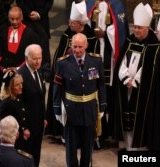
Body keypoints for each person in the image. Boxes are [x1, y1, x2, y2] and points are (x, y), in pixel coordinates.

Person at [46, 0, 100, 144]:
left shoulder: (92, 38)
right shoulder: (66, 34)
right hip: (66, 81)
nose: (70, 24)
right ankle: (62, 133)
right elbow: (60, 57)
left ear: (81, 24)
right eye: (70, 21)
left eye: (73, 22)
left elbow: (94, 64)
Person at [110, 2, 160, 151]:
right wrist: (125, 78)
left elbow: (150, 69)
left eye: (139, 28)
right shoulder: (129, 41)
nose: (136, 30)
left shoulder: (154, 46)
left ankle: (139, 148)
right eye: (135, 27)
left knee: (139, 118)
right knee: (126, 117)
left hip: (140, 90)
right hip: (126, 88)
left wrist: (136, 81)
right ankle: (126, 145)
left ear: (147, 28)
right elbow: (121, 62)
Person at [53, 33, 106, 167]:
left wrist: (103, 106)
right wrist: (57, 110)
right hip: (71, 112)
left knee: (88, 147)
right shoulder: (62, 63)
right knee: (71, 148)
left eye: (80, 47)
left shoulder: (96, 61)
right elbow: (57, 88)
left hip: (90, 111)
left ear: (86, 46)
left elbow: (101, 85)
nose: (77, 50)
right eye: (74, 46)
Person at [86, 0, 129, 148]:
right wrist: (93, 31)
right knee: (93, 89)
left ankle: (110, 132)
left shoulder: (117, 5)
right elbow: (85, 24)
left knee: (108, 95)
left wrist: (105, 33)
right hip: (93, 51)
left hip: (109, 57)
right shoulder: (91, 2)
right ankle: (95, 133)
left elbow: (120, 29)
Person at [0, 6, 40, 112]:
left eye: (17, 19)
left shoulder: (30, 35)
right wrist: (4, 69)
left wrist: (18, 69)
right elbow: (0, 53)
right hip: (5, 72)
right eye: (12, 19)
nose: (14, 22)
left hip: (22, 73)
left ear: (22, 18)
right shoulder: (3, 33)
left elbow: (31, 56)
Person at [18, 44, 46, 167]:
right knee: (26, 157)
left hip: (38, 124)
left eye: (39, 58)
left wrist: (44, 117)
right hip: (28, 126)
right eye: (34, 58)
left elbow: (41, 97)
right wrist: (24, 127)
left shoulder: (38, 71)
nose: (37, 61)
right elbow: (19, 103)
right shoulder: (21, 75)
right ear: (26, 58)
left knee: (36, 154)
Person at [16, 0, 53, 80]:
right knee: (25, 48)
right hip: (26, 20)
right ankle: (25, 73)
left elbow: (49, 2)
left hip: (42, 20)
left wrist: (39, 14)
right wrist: (29, 12)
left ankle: (45, 74)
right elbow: (19, 1)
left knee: (44, 49)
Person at [0, 70, 30, 150]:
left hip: (19, 139)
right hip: (10, 143)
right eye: (17, 85)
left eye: (21, 84)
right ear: (9, 87)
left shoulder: (17, 98)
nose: (21, 87)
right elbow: (5, 128)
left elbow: (21, 117)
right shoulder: (6, 104)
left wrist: (24, 128)